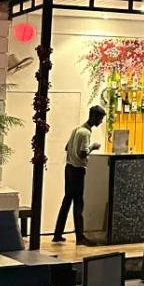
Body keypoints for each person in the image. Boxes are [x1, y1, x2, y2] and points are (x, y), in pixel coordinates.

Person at [52, 104, 106, 244]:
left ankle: (57, 233)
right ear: (94, 116)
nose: (101, 122)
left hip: (69, 168)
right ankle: (80, 237)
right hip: (77, 170)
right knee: (78, 204)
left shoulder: (76, 129)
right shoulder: (85, 133)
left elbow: (67, 147)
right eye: (100, 118)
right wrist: (93, 147)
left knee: (66, 202)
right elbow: (82, 154)